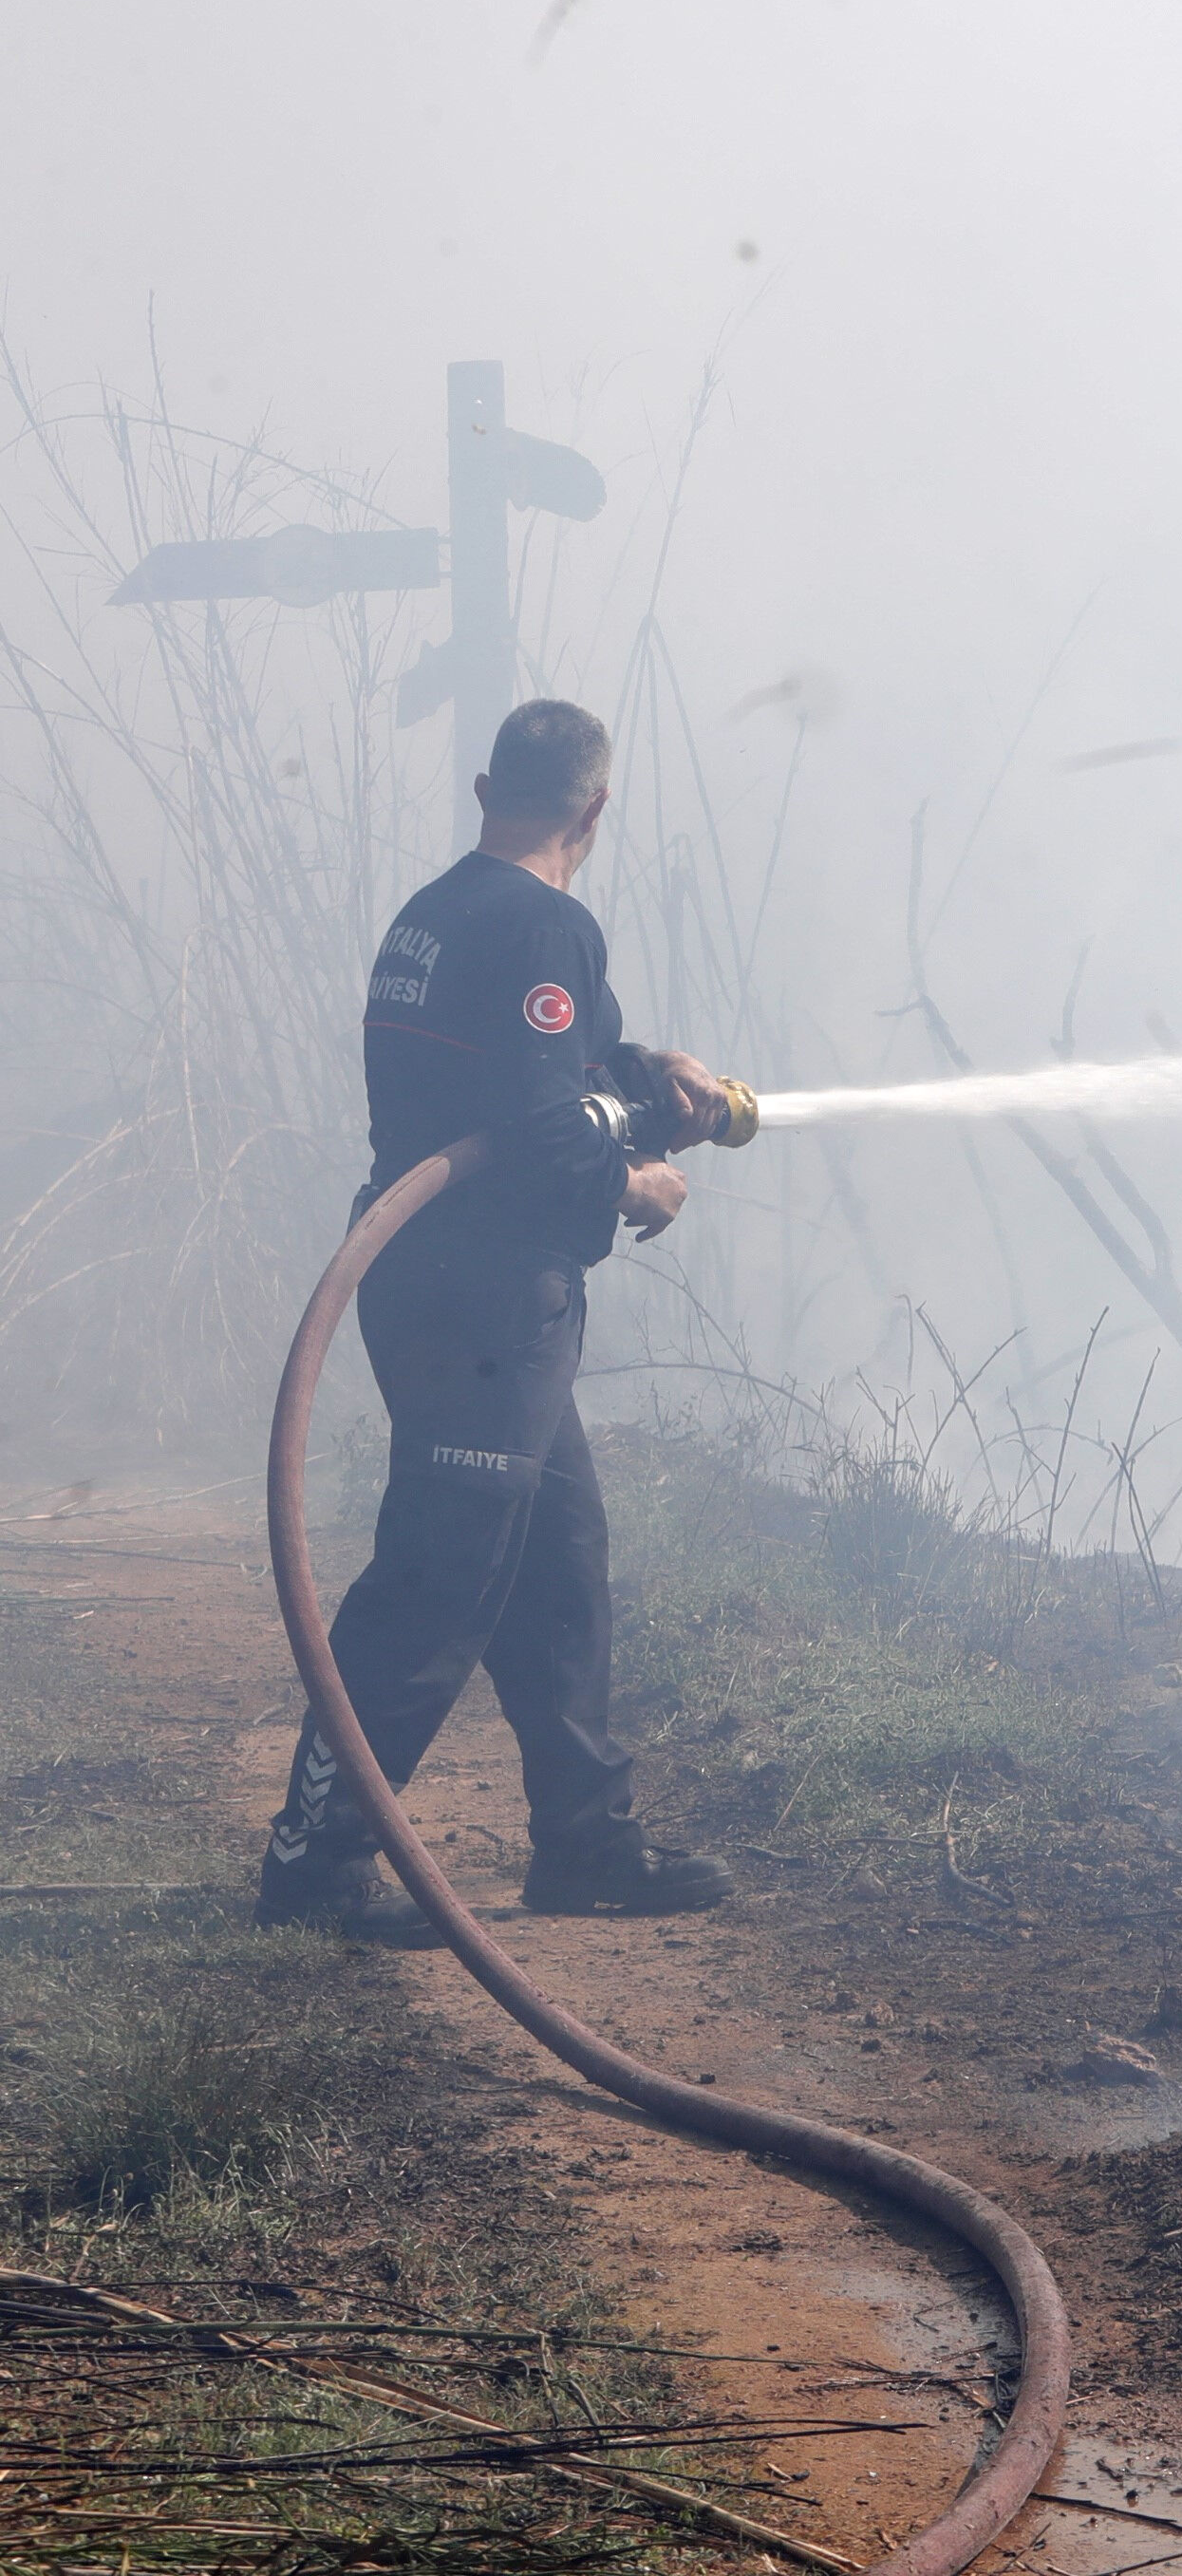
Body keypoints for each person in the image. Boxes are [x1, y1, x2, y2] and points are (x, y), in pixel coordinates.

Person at [255, 701, 739, 1927]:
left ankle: (585, 1842)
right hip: (484, 1300)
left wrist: (657, 1074)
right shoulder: (546, 923)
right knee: (439, 1576)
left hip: (438, 1283)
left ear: (486, 788)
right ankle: (315, 1866)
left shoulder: (437, 914)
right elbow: (533, 1138)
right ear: (598, 809)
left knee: (561, 1555)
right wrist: (640, 1183)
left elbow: (544, 1076)